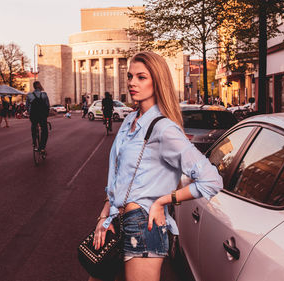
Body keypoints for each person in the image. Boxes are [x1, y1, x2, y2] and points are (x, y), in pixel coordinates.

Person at [89, 52, 223, 281]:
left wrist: (163, 201)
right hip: (116, 222)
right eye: (131, 76)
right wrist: (104, 217)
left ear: (157, 81)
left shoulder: (164, 129)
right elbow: (118, 177)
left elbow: (211, 180)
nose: (132, 82)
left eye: (141, 77)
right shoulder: (130, 122)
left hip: (143, 226)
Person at [26, 81, 50, 153]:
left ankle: (34, 142)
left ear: (33, 87)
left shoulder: (29, 95)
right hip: (42, 115)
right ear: (40, 86)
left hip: (33, 115)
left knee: (33, 126)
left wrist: (30, 113)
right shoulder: (44, 94)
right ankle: (42, 147)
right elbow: (47, 106)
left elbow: (27, 106)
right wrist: (46, 115)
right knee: (44, 130)